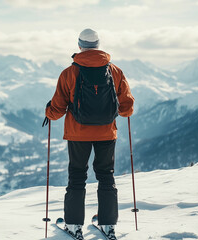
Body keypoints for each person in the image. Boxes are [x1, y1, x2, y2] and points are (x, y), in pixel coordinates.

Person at [45, 28, 134, 240]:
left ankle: (74, 225)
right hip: (106, 133)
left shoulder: (69, 73)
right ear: (98, 45)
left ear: (79, 46)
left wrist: (48, 111)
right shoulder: (115, 71)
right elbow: (126, 107)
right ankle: (108, 225)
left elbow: (57, 110)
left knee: (77, 176)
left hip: (78, 134)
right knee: (106, 175)